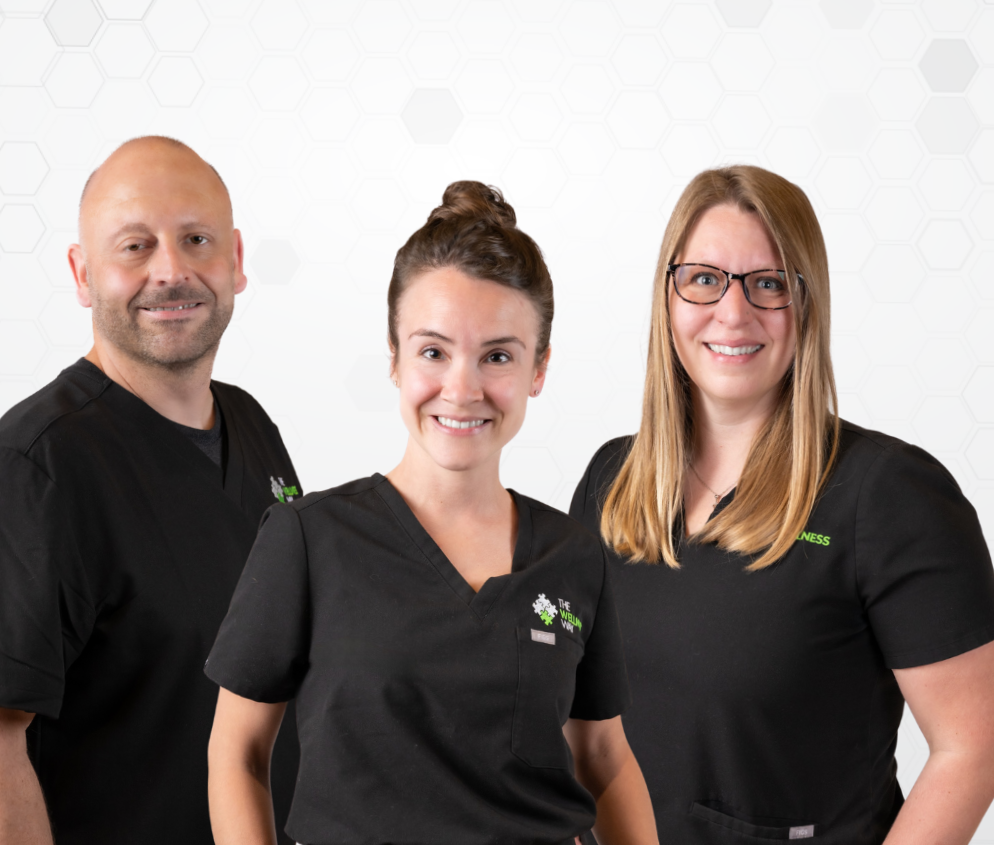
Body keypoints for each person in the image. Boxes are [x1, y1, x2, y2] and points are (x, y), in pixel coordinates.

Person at [205, 181, 660, 845]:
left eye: (498, 355)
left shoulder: (572, 555)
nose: (462, 388)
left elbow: (603, 758)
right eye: (433, 351)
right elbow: (237, 753)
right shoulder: (308, 539)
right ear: (392, 356)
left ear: (538, 368)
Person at [570, 165, 994, 844]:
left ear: (808, 303)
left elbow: (971, 750)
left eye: (768, 284)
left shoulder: (889, 497)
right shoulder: (609, 481)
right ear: (667, 296)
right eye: (704, 279)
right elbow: (576, 722)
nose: (732, 313)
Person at [0, 136, 302, 845]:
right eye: (135, 246)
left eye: (195, 239)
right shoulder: (29, 470)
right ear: (81, 274)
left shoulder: (252, 428)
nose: (171, 270)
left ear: (234, 260)